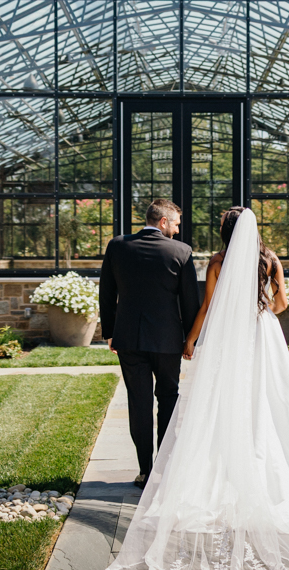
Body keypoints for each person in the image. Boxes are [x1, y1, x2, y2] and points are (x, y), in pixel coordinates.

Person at [107, 206, 289, 570]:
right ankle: (268, 469)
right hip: (263, 334)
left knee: (225, 401)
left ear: (227, 231)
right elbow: (282, 303)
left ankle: (192, 469)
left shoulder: (217, 261)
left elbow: (208, 306)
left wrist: (191, 340)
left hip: (230, 337)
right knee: (270, 400)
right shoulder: (271, 261)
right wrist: (261, 311)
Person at [98, 198, 200, 489]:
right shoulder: (181, 252)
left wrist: (110, 333)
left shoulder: (117, 246)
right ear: (163, 222)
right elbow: (190, 301)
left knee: (139, 403)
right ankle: (164, 471)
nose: (178, 231)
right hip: (168, 341)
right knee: (168, 398)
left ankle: (144, 471)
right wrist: (190, 339)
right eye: (176, 224)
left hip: (129, 339)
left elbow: (107, 291)